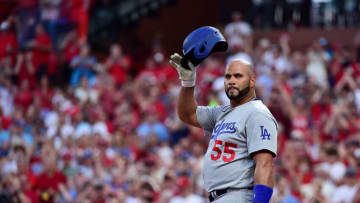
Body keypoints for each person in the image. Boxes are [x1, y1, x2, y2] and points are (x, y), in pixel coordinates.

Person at [169, 53, 278, 203]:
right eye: (228, 77)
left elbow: (265, 163)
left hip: (239, 195)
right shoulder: (221, 112)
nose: (231, 81)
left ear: (252, 81)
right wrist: (188, 82)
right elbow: (187, 114)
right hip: (219, 197)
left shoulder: (257, 113)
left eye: (238, 76)